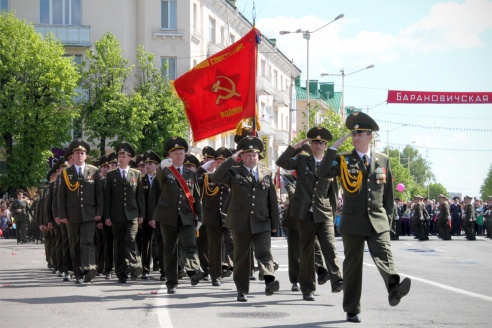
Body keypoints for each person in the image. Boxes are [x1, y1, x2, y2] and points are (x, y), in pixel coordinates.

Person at [318, 112, 411, 323]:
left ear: (370, 136)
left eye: (360, 133)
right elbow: (322, 173)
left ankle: (394, 288)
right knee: (352, 266)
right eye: (353, 133)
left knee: (385, 256)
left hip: (378, 219)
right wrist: (332, 150)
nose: (355, 137)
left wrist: (389, 220)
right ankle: (352, 309)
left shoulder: (383, 160)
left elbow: (388, 194)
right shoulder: (343, 158)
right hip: (353, 221)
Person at [276, 127, 343, 301]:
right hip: (305, 213)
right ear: (311, 144)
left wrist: (332, 212)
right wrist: (295, 146)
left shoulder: (332, 163)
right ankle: (307, 288)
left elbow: (333, 192)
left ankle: (337, 281)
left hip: (324, 211)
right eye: (315, 142)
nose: (317, 145)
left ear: (326, 145)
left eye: (321, 142)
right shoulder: (302, 160)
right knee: (306, 252)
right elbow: (281, 162)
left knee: (329, 246)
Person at [213, 136, 280, 302]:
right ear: (241, 157)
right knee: (241, 258)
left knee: (264, 252)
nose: (252, 157)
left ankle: (269, 280)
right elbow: (216, 177)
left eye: (255, 154)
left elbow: (272, 199)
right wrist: (230, 158)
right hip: (240, 222)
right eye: (248, 154)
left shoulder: (266, 173)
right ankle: (241, 290)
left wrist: (275, 223)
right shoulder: (233, 171)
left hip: (262, 220)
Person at [149, 137, 204, 294]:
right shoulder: (166, 172)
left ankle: (193, 271)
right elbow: (158, 180)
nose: (179, 156)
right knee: (170, 250)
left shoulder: (191, 174)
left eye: (181, 153)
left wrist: (200, 217)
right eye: (176, 153)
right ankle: (171, 281)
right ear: (169, 156)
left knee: (189, 243)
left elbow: (197, 198)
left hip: (187, 216)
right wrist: (160, 167)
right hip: (168, 217)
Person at [58, 139, 104, 284]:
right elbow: (61, 197)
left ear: (86, 156)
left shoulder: (94, 171)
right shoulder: (66, 173)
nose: (80, 155)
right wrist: (62, 215)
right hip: (72, 215)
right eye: (77, 153)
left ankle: (89, 268)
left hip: (89, 214)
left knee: (88, 242)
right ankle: (78, 273)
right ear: (72, 156)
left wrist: (99, 212)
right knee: (74, 244)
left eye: (83, 153)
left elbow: (99, 194)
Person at [104, 142, 145, 283]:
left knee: (131, 238)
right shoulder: (111, 175)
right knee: (119, 243)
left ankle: (135, 264)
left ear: (129, 159)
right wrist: (107, 216)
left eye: (124, 156)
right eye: (119, 156)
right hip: (116, 215)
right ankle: (121, 273)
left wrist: (142, 214)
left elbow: (140, 197)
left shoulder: (136, 174)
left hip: (132, 214)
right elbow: (107, 198)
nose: (121, 159)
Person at [197, 147, 234, 286]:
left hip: (228, 217)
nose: (220, 163)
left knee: (232, 244)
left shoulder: (233, 177)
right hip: (212, 217)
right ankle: (215, 275)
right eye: (218, 161)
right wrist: (203, 168)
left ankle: (242, 269)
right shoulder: (207, 177)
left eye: (223, 161)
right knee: (214, 247)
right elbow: (193, 179)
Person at [139, 150, 161, 279]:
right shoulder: (141, 181)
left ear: (157, 165)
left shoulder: (161, 180)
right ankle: (145, 269)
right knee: (145, 244)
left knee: (161, 243)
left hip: (159, 216)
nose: (147, 165)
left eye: (151, 163)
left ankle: (163, 270)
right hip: (146, 216)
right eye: (146, 163)